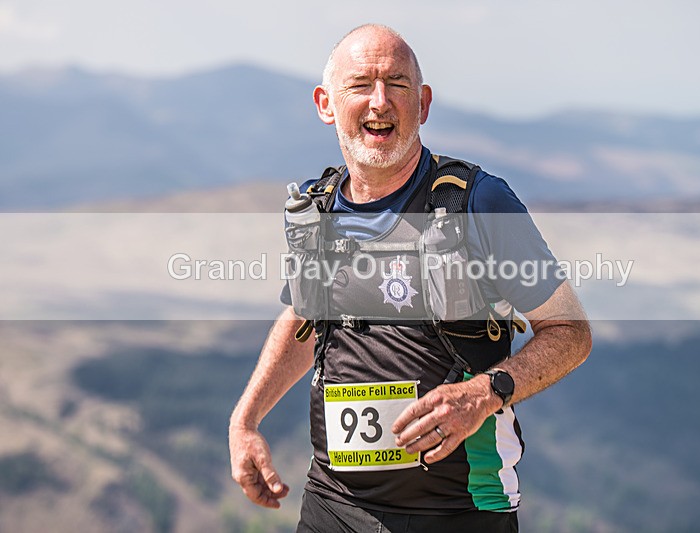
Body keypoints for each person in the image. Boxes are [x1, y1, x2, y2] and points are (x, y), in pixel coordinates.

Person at [229, 24, 592, 533]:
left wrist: (483, 394)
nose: (380, 102)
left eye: (397, 85)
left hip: (461, 512)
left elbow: (571, 332)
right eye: (361, 85)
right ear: (326, 104)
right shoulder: (315, 210)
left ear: (422, 104)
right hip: (331, 505)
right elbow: (304, 320)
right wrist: (245, 420)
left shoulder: (478, 202)